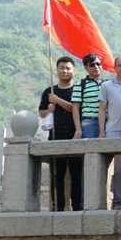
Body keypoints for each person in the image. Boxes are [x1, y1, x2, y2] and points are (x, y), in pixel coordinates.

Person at [39, 56, 81, 211]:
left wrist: (57, 100)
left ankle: (77, 207)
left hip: (76, 137)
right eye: (62, 68)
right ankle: (57, 206)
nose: (65, 71)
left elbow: (75, 109)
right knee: (57, 175)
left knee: (77, 175)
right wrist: (49, 110)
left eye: (68, 68)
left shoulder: (78, 90)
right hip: (55, 138)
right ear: (57, 70)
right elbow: (42, 113)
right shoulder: (49, 91)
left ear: (74, 70)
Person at [98, 56, 121, 208]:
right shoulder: (106, 86)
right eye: (120, 66)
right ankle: (118, 201)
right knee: (118, 168)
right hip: (113, 130)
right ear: (115, 67)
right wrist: (101, 131)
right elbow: (102, 109)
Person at [72, 53, 105, 139]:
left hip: (107, 121)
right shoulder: (80, 84)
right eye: (92, 65)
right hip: (89, 122)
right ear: (86, 67)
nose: (96, 67)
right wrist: (78, 129)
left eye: (98, 64)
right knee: (91, 146)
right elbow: (75, 107)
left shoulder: (107, 84)